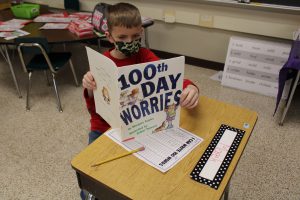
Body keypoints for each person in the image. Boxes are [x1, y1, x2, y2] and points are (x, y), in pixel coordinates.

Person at [81, 2, 199, 199]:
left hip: (138, 124)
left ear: (141, 33)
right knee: (91, 178)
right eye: (122, 37)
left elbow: (169, 75)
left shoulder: (144, 55)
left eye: (136, 36)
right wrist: (89, 87)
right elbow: (94, 108)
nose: (130, 42)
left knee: (139, 177)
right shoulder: (103, 63)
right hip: (104, 127)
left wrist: (190, 87)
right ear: (109, 37)